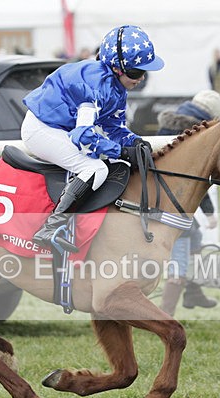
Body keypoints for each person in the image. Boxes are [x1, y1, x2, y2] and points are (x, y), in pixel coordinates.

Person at [22, 25, 165, 253]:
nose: (141, 78)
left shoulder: (117, 87)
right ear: (117, 68)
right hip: (41, 128)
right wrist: (120, 151)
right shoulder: (94, 85)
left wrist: (134, 142)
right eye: (136, 72)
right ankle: (50, 227)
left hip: (60, 127)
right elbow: (84, 137)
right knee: (96, 169)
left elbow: (113, 127)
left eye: (144, 72)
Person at [156, 90, 220, 315]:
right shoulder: (197, 134)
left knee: (194, 234)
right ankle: (166, 316)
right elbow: (194, 179)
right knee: (183, 246)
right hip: (173, 206)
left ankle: (193, 291)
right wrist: (210, 212)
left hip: (156, 195)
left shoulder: (167, 127)